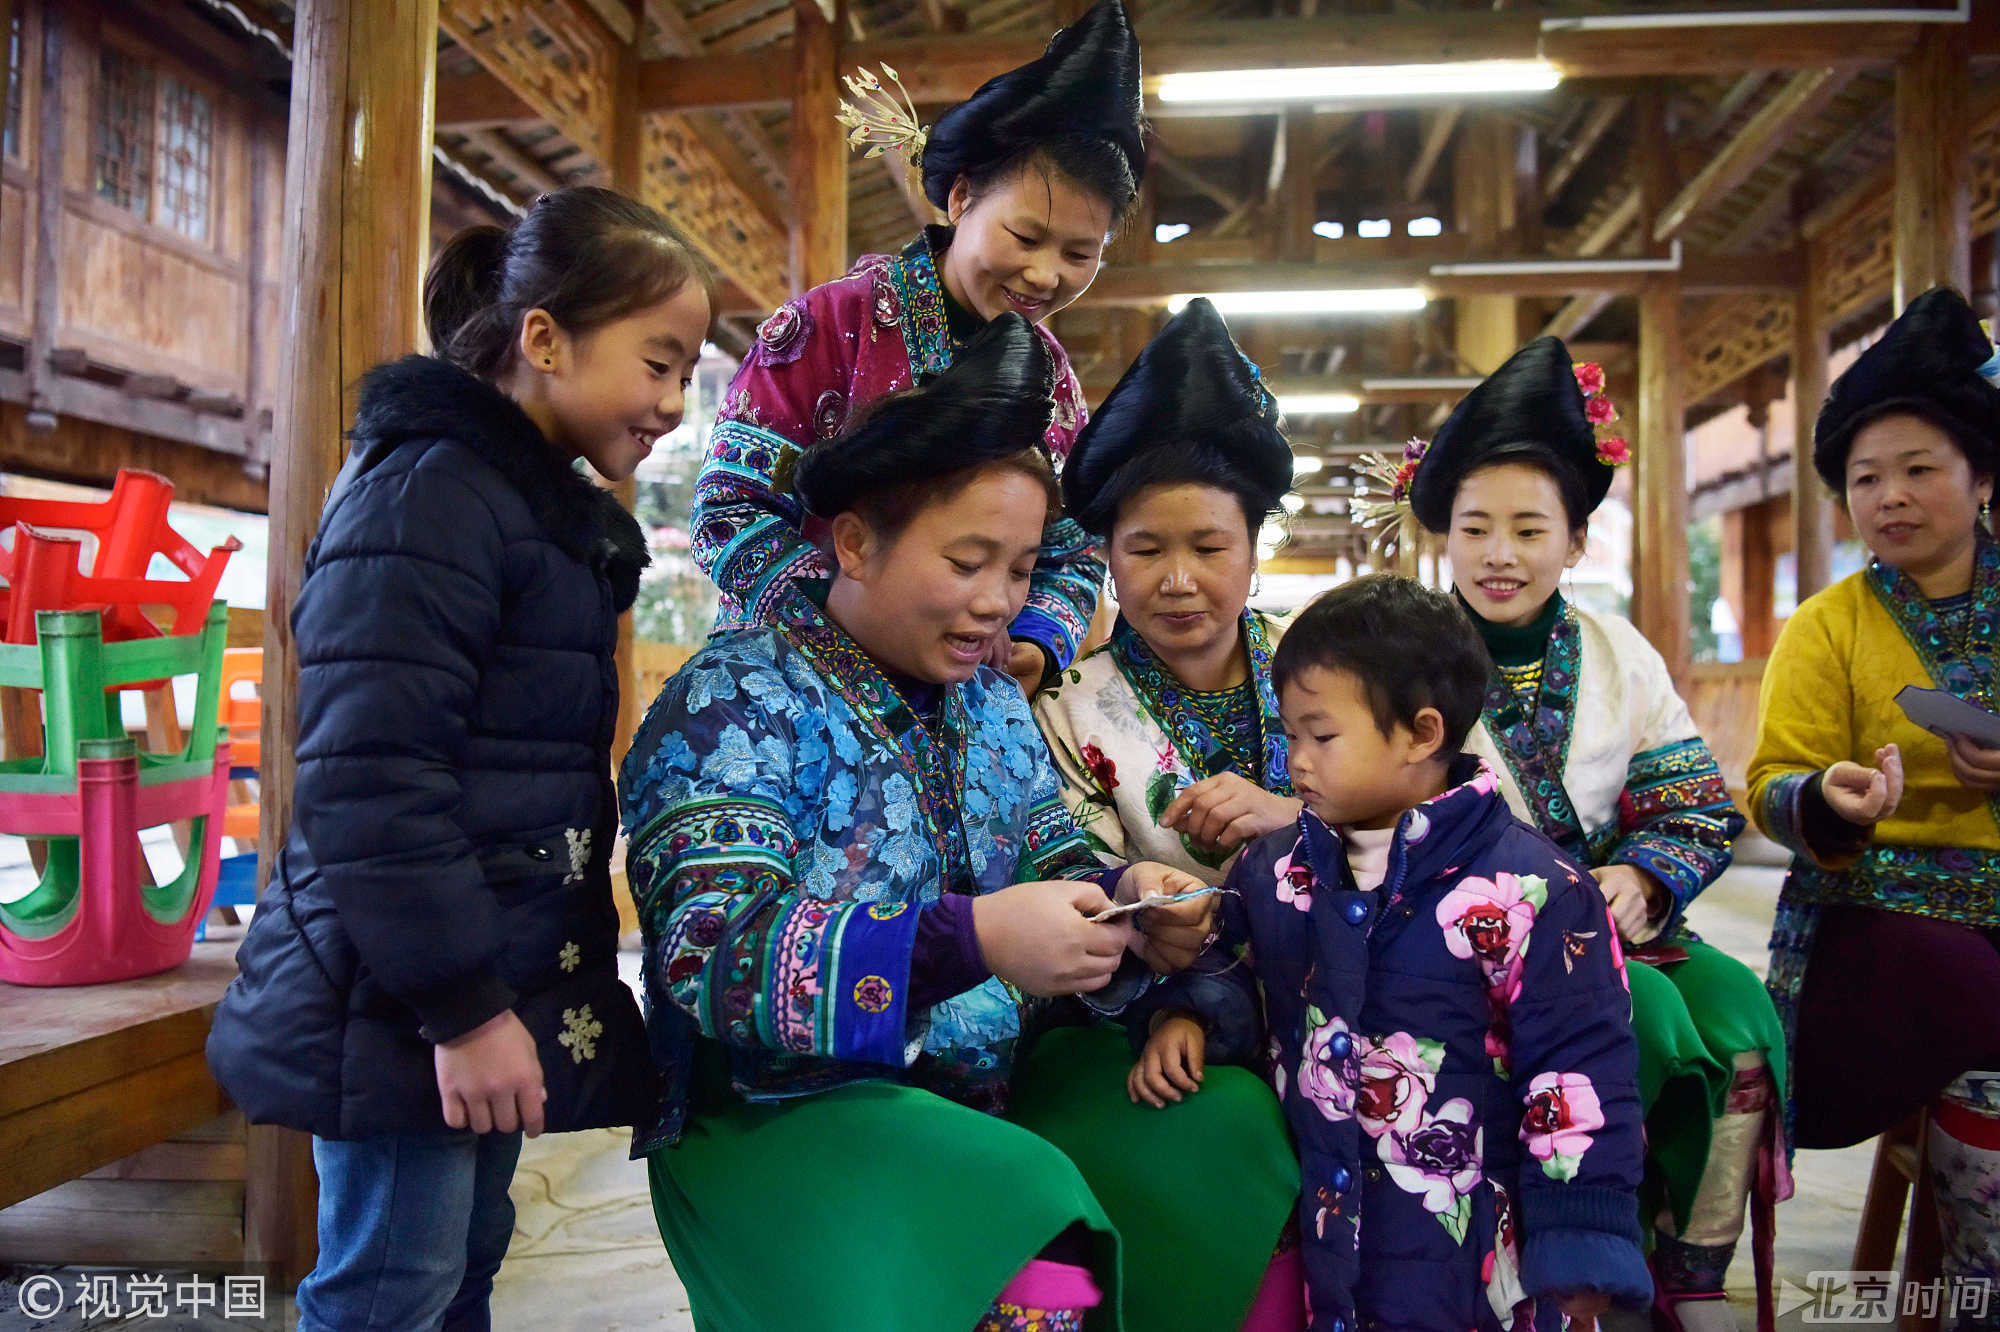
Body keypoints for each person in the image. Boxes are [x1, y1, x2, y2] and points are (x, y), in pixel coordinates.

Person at [619, 313, 1211, 1332]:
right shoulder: (734, 699)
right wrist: (974, 937)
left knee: (1226, 1140)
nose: (996, 604)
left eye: (1020, 570)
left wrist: (1122, 897)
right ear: (851, 541)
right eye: (967, 561)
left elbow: (1045, 848)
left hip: (982, 1085)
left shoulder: (987, 699)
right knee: (1028, 1226)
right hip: (774, 1114)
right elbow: (708, 955)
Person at [204, 187, 713, 1331]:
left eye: (686, 374)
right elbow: (370, 777)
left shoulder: (517, 504)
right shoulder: (431, 492)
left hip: (471, 979)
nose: (673, 405)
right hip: (407, 998)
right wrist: (463, 1011)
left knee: (468, 1257)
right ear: (544, 340)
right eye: (658, 363)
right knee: (392, 1284)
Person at [1373, 335, 1786, 1331]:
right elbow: (1361, 820)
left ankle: (1689, 1263)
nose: (1499, 553)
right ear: (1444, 539)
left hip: (1619, 922)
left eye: (1527, 528)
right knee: (1641, 1013)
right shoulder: (1394, 653)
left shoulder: (1617, 650)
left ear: (1572, 542)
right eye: (1474, 528)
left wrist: (1643, 881)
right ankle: (1583, 1262)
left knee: (1738, 1015)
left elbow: (1690, 804)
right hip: (1462, 952)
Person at [1127, 575, 1651, 1331]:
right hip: (1337, 1233)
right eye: (1291, 735)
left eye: (1322, 736)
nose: (1297, 761)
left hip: (1480, 1252)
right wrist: (1188, 1015)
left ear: (1421, 733)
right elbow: (1229, 957)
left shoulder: (1535, 891)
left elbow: (1581, 1068)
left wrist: (1584, 1239)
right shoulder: (1279, 868)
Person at [691, 0, 1146, 694]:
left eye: (1079, 253)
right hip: (791, 690)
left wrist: (1035, 640)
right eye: (1025, 238)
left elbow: (1072, 550)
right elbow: (728, 509)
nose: (1046, 274)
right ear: (961, 198)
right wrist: (849, 629)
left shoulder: (1054, 380)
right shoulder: (828, 323)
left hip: (961, 703)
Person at [1020, 298, 1304, 1331]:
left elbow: (1429, 826)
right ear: (1103, 557)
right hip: (1140, 1016)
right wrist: (1166, 989)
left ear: (1253, 545)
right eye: (1143, 550)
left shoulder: (1330, 675)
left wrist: (1289, 815)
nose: (1177, 581)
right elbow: (1066, 886)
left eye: (1208, 546)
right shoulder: (1061, 705)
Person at [1752, 286, 2000, 1306]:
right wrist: (1828, 799)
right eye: (1864, 478)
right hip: (1879, 924)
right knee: (1948, 974)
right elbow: (1768, 787)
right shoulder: (1826, 625)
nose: (1888, 495)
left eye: (1917, 470)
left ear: (1981, 478)